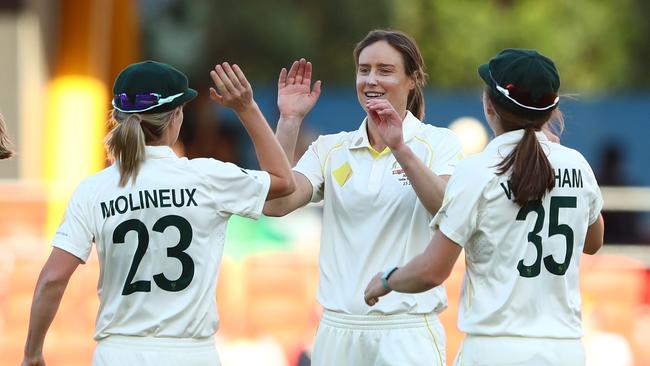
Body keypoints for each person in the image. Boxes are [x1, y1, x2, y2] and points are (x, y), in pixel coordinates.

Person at [21, 60, 295, 366]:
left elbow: (53, 279)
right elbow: (284, 181)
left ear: (118, 118)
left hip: (118, 354)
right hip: (191, 354)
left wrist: (32, 352)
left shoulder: (93, 189)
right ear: (176, 117)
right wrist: (246, 108)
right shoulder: (207, 177)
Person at [364, 48, 605, 366]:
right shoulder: (577, 164)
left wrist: (386, 280)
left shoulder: (476, 170)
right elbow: (593, 242)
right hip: (565, 351)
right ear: (551, 111)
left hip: (495, 350)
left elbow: (432, 272)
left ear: (489, 105)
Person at [263, 30, 463, 365]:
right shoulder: (331, 148)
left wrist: (399, 148)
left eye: (385, 70)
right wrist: (289, 121)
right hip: (337, 329)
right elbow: (275, 203)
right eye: (364, 69)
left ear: (412, 80)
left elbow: (446, 208)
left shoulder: (438, 144)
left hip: (406, 330)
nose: (371, 80)